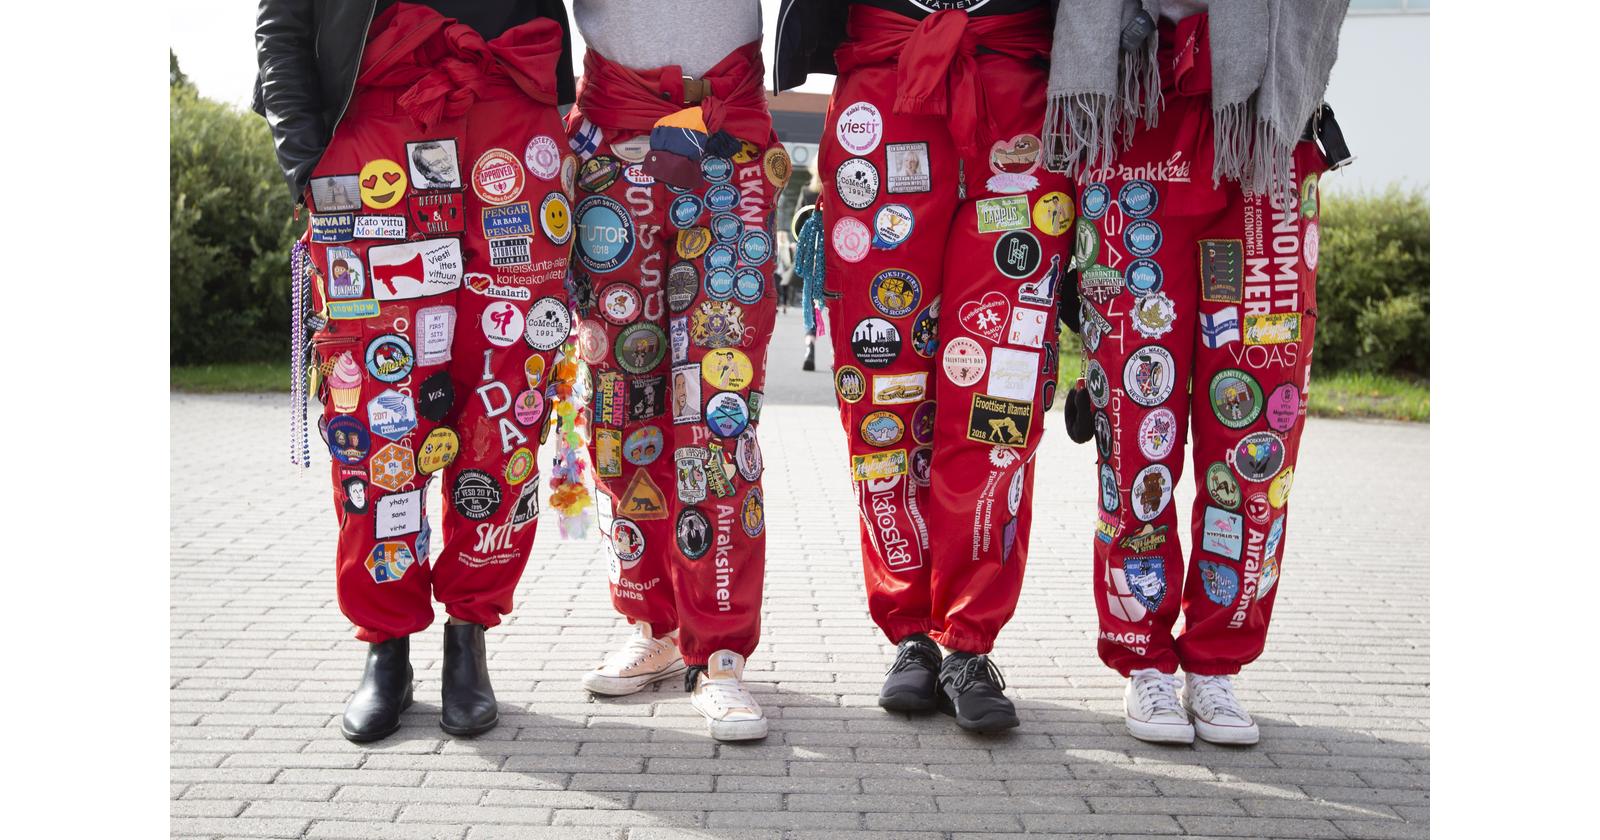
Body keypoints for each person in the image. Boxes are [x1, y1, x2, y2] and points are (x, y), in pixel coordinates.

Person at [254, 0, 577, 743]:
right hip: (374, 130)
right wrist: (306, 160)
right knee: (376, 406)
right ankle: (385, 643)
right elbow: (282, 20)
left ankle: (470, 634)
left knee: (508, 401)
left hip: (514, 125)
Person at [1049, 0, 1352, 746]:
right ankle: (1144, 659)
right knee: (1134, 432)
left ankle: (1216, 665)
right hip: (1129, 136)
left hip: (1266, 140)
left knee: (1257, 436)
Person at [776, 0, 1071, 733]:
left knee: (998, 392)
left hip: (1022, 103)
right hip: (883, 98)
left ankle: (968, 640)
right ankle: (910, 629)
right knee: (883, 395)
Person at [564, 0, 783, 742]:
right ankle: (652, 624)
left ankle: (720, 652)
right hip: (610, 141)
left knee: (718, 415)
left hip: (727, 140)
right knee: (621, 405)